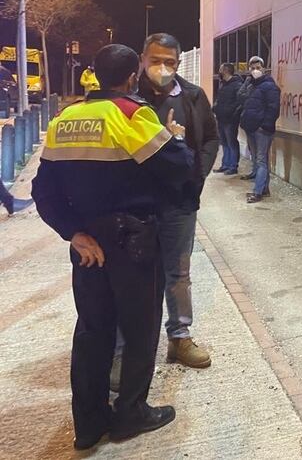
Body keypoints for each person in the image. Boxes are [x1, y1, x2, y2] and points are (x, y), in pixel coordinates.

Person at [31, 44, 194, 450]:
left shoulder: (65, 118)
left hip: (87, 245)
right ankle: (130, 414)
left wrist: (73, 232)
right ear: (131, 77)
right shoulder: (132, 114)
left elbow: (43, 190)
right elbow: (179, 167)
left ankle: (88, 424)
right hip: (132, 241)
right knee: (140, 330)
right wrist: (175, 137)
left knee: (92, 330)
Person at [115, 33, 218, 372]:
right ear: (142, 59)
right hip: (136, 206)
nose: (162, 68)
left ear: (178, 63)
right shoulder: (125, 98)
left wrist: (197, 176)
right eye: (156, 60)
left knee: (179, 273)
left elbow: (211, 138)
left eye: (170, 62)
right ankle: (125, 349)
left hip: (179, 203)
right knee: (133, 276)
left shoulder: (192, 96)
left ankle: (180, 337)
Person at [239, 56, 280, 203]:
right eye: (252, 68)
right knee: (258, 159)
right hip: (251, 128)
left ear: (264, 69)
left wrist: (265, 125)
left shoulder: (270, 86)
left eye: (258, 68)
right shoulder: (252, 85)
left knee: (261, 160)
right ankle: (264, 189)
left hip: (262, 130)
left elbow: (274, 108)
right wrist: (247, 81)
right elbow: (240, 97)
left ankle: (258, 192)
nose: (255, 70)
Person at [212, 62, 243, 175]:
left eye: (221, 69)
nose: (219, 71)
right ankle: (225, 165)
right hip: (221, 118)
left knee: (231, 142)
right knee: (224, 143)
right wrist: (215, 108)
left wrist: (231, 113)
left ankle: (233, 166)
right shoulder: (223, 84)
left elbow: (239, 102)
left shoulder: (237, 85)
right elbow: (219, 100)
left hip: (230, 120)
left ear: (226, 71)